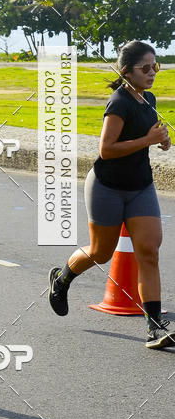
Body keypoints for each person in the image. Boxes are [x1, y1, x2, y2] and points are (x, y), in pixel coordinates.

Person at [47, 40, 174, 349]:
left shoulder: (148, 99)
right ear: (126, 71)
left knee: (149, 251)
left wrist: (162, 140)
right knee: (101, 252)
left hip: (140, 186)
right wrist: (147, 139)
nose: (152, 72)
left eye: (154, 66)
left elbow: (150, 134)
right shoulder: (118, 103)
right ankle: (62, 279)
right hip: (107, 186)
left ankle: (154, 328)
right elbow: (106, 150)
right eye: (145, 68)